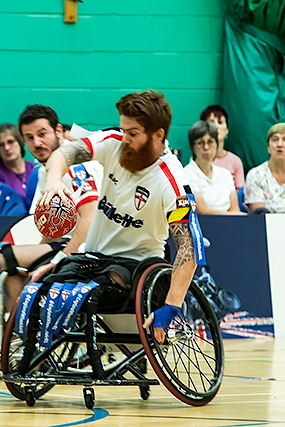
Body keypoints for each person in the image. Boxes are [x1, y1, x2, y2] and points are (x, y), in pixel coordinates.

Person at [39, 90, 204, 349]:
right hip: (92, 258)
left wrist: (172, 306)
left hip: (135, 266)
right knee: (44, 286)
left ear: (158, 135)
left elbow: (188, 248)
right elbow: (66, 151)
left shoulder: (173, 183)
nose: (124, 138)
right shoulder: (114, 142)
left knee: (98, 290)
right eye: (123, 129)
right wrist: (54, 180)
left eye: (133, 133)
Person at [0, 105, 102, 312]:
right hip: (66, 243)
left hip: (92, 247)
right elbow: (53, 229)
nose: (37, 143)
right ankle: (20, 332)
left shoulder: (79, 166)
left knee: (4, 257)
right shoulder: (44, 171)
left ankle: (24, 328)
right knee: (14, 267)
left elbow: (89, 222)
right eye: (30, 137)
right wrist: (36, 256)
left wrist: (56, 261)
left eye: (42, 134)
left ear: (58, 131)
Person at [183, 121, 242, 215]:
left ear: (217, 145)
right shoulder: (186, 175)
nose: (206, 147)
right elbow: (202, 211)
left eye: (210, 142)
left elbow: (235, 209)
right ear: (192, 147)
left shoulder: (226, 174)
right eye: (200, 143)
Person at [245, 123, 285, 214]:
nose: (280, 144)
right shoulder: (256, 175)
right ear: (268, 147)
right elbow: (259, 216)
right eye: (275, 139)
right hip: (265, 227)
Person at [0, 123, 35, 202]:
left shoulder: (35, 169)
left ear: (20, 142)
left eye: (10, 142)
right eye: (1, 145)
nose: (7, 148)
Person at [200, 105, 245, 189]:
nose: (216, 126)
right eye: (211, 122)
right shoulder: (198, 159)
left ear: (227, 130)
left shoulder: (235, 162)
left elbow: (239, 195)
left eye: (220, 122)